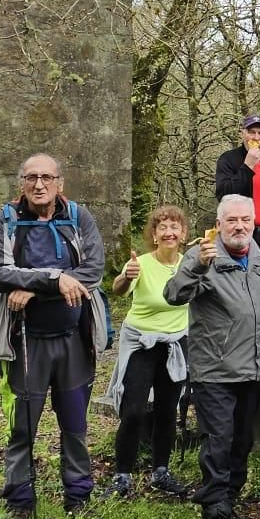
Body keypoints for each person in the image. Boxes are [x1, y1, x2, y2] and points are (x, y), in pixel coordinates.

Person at [0, 153, 109, 519]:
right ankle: (20, 501)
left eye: (47, 178)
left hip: (73, 339)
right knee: (23, 426)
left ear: (60, 183)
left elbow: (93, 269)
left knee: (74, 424)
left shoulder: (79, 218)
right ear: (21, 183)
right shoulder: (4, 221)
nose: (40, 185)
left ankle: (79, 496)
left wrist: (35, 288)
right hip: (24, 341)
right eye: (32, 178)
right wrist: (55, 280)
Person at [166, 194, 260, 519]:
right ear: (219, 224)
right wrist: (197, 265)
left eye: (245, 219)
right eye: (232, 220)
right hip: (215, 369)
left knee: (242, 440)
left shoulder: (257, 255)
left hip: (252, 367)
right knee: (219, 441)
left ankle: (228, 504)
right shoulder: (202, 254)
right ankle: (214, 514)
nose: (240, 226)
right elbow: (173, 294)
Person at [102, 205, 193, 500]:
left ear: (183, 233)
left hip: (176, 344)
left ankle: (161, 472)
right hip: (141, 343)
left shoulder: (190, 265)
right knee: (134, 411)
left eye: (175, 227)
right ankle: (122, 476)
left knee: (168, 411)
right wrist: (126, 276)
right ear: (153, 235)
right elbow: (117, 289)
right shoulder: (140, 263)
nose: (169, 232)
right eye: (162, 227)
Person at [213, 115, 260, 263]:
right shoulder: (228, 159)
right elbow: (223, 194)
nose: (256, 137)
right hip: (238, 234)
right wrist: (248, 166)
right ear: (243, 134)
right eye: (251, 132)